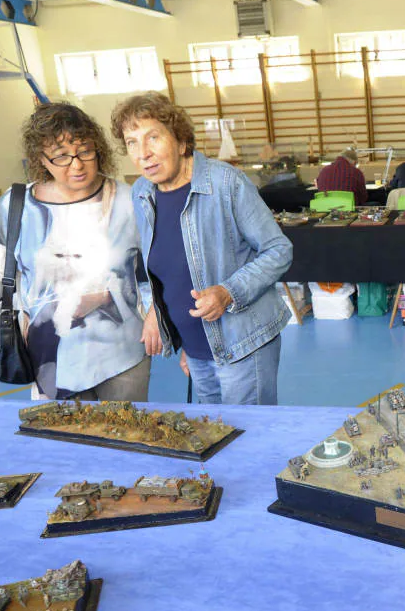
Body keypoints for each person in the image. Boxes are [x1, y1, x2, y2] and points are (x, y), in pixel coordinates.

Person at [0, 103, 149, 401]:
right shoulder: (16, 207)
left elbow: (153, 270)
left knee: (127, 441)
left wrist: (117, 300)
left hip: (123, 357)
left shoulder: (129, 202)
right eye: (62, 156)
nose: (76, 165)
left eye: (85, 151)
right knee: (62, 442)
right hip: (49, 360)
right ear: (41, 159)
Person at [111, 92, 293, 405]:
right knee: (213, 440)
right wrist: (165, 318)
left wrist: (228, 292)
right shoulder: (142, 193)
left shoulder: (226, 183)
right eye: (131, 142)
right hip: (196, 351)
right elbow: (170, 269)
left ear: (181, 141)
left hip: (242, 346)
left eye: (153, 137)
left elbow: (278, 250)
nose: (143, 153)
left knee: (248, 440)